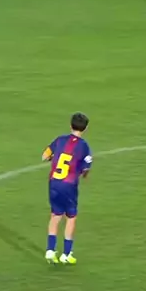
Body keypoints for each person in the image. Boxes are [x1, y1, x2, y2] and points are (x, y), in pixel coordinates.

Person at [42, 112, 92, 265]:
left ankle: (50, 250)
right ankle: (66, 254)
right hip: (69, 185)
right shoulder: (84, 146)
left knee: (55, 215)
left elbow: (45, 156)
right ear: (85, 128)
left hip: (54, 182)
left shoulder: (60, 140)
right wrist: (84, 174)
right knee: (71, 217)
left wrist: (52, 158)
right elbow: (86, 168)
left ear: (70, 125)